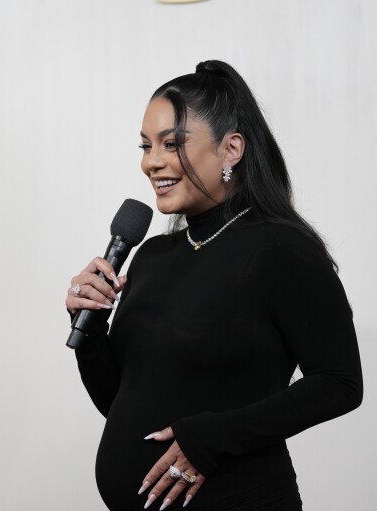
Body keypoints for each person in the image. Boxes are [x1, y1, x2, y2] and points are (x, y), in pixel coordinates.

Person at [66, 60, 362, 510]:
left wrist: (212, 438)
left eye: (173, 143)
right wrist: (90, 331)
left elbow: (340, 383)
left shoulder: (281, 250)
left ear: (231, 150)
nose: (152, 162)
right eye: (146, 146)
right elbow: (122, 403)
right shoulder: (151, 256)